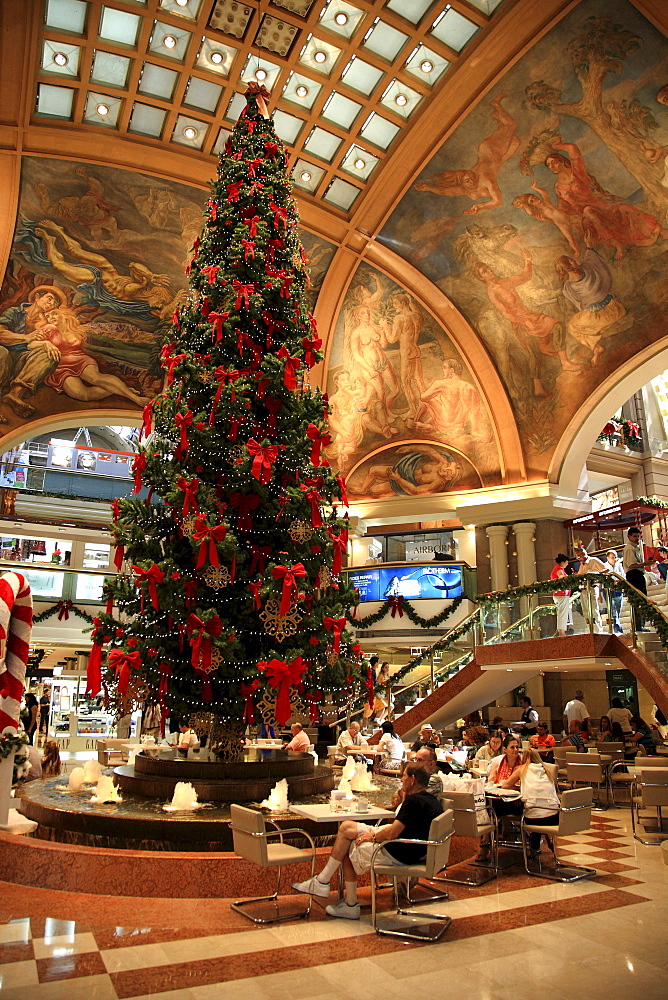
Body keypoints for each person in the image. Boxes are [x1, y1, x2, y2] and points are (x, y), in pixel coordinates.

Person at [292, 763, 442, 920]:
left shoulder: (413, 802)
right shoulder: (432, 801)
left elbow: (392, 833)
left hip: (395, 852)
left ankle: (347, 902)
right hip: (408, 848)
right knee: (346, 827)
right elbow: (402, 827)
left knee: (347, 844)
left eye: (404, 776)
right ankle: (322, 882)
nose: (401, 779)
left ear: (412, 780)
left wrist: (373, 837)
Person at [502, 748, 560, 856]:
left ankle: (533, 848)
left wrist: (519, 787)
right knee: (540, 808)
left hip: (533, 818)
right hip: (554, 816)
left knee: (531, 811)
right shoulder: (547, 770)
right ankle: (540, 844)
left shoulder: (522, 769)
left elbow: (505, 785)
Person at [623, 526, 650, 631]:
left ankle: (640, 625)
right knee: (638, 600)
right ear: (629, 536)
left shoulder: (635, 547)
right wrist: (645, 563)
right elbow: (631, 565)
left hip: (638, 574)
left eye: (638, 536)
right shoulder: (629, 548)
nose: (637, 538)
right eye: (634, 536)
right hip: (634, 575)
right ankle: (638, 626)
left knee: (642, 600)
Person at [575, 545, 605, 631]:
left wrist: (593, 575)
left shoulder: (593, 560)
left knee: (594, 610)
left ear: (584, 554)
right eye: (577, 557)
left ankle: (598, 631)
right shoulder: (581, 564)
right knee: (586, 612)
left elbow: (605, 569)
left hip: (592, 588)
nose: (578, 558)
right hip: (583, 590)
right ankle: (590, 630)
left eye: (579, 556)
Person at [602, 549, 624, 633]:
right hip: (609, 590)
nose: (614, 559)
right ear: (607, 558)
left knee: (618, 608)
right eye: (612, 557)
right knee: (612, 609)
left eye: (615, 557)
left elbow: (622, 575)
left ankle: (617, 625)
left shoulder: (619, 565)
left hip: (618, 589)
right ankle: (617, 627)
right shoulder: (604, 566)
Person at [551, 553, 572, 636]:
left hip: (560, 594)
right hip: (561, 594)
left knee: (562, 613)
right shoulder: (559, 569)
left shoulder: (557, 568)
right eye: (567, 562)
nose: (567, 564)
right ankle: (562, 633)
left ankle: (562, 632)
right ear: (563, 562)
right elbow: (561, 576)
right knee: (562, 613)